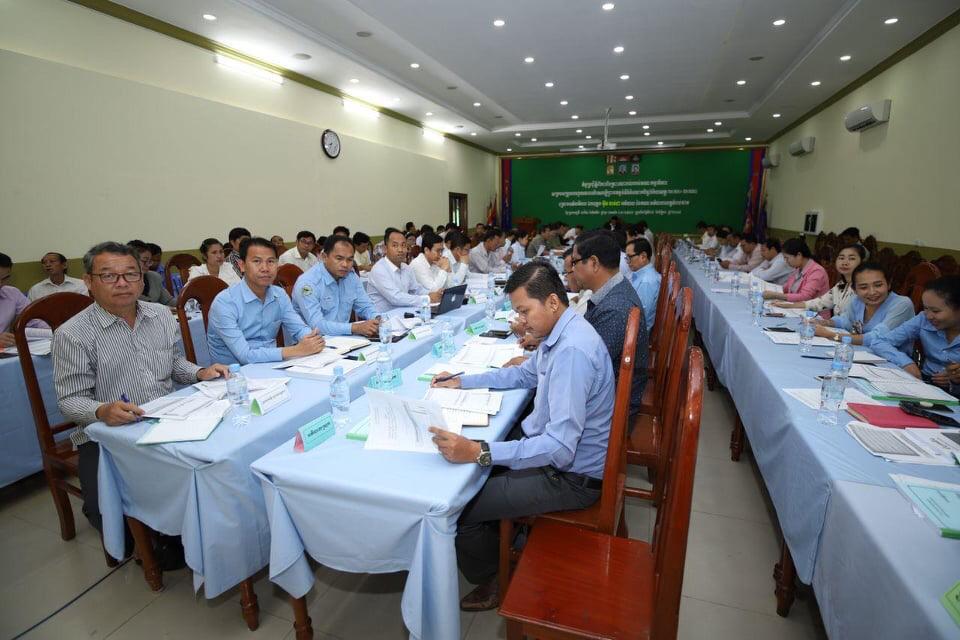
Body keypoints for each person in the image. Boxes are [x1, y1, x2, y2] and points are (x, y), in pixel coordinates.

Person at [428, 262, 614, 611]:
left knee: (459, 507)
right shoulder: (561, 332)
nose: (521, 321)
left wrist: (480, 451)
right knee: (479, 469)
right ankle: (507, 534)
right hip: (557, 457)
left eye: (524, 311)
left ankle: (498, 574)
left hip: (570, 477)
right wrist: (462, 381)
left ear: (553, 302)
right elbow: (523, 375)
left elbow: (559, 449)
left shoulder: (572, 351)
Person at [52, 241, 229, 559]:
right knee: (106, 514)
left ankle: (190, 532)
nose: (122, 283)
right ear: (89, 281)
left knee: (216, 466)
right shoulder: (72, 334)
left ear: (142, 277)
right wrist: (102, 410)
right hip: (108, 434)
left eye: (131, 274)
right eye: (109, 275)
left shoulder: (161, 315)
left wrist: (200, 372)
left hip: (167, 418)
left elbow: (174, 364)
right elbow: (70, 400)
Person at [207, 237, 325, 364]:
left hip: (272, 365)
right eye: (257, 261)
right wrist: (297, 350)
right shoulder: (224, 303)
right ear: (242, 265)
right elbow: (245, 356)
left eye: (271, 261)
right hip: (234, 372)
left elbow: (298, 328)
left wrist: (311, 339)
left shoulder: (279, 294)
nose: (265, 268)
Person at [572, 230, 648, 415]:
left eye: (575, 262)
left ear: (594, 263)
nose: (572, 269)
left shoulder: (615, 310)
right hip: (605, 394)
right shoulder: (614, 289)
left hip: (609, 409)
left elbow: (582, 370)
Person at [871, 276, 960, 394]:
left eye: (936, 311)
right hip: (924, 383)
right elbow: (880, 342)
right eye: (926, 308)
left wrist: (955, 381)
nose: (929, 316)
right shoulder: (923, 319)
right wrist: (906, 363)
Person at [813, 263, 915, 351]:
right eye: (863, 287)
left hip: (893, 362)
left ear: (888, 284)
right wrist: (823, 322)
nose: (872, 292)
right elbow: (846, 321)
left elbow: (876, 337)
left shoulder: (902, 304)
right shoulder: (857, 300)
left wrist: (830, 335)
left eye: (878, 285)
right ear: (854, 290)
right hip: (862, 354)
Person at [293, 235, 380, 337]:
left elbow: (366, 306)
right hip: (313, 341)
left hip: (343, 338)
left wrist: (377, 319)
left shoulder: (351, 276)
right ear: (324, 257)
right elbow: (317, 326)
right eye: (339, 258)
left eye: (350, 259)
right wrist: (354, 328)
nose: (345, 264)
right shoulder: (308, 283)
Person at [772, 244, 864, 316]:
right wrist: (790, 305)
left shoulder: (862, 288)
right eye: (841, 258)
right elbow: (820, 302)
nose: (845, 263)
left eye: (851, 259)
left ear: (861, 262)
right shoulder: (841, 285)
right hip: (835, 329)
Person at [367, 228, 442, 312]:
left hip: (405, 313)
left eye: (403, 245)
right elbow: (396, 298)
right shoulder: (379, 269)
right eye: (395, 245)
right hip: (384, 317)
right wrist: (428, 298)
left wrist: (432, 294)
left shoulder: (406, 267)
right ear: (385, 248)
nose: (400, 250)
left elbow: (416, 289)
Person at [762, 238, 830, 303]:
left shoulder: (817, 272)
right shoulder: (798, 269)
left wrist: (776, 295)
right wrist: (770, 289)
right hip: (796, 307)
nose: (786, 261)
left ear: (799, 255)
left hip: (812, 310)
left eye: (787, 258)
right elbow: (787, 287)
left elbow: (805, 296)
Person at [1, 253, 46, 347]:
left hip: (6, 351)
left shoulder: (12, 293)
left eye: (5, 278)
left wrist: (58, 328)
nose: (0, 284)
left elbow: (34, 320)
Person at [625, 238, 660, 332]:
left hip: (637, 332)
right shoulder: (640, 274)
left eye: (629, 257)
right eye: (626, 258)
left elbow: (640, 316)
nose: (627, 262)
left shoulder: (646, 282)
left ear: (643, 257)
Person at [128, 241, 174, 306]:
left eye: (149, 261)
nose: (148, 265)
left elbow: (169, 301)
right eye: (144, 261)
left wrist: (184, 304)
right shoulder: (122, 282)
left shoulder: (154, 277)